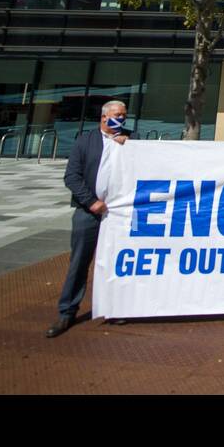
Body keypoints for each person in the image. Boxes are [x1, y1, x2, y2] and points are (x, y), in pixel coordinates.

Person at [46, 100, 131, 338]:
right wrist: (91, 201)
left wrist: (128, 145)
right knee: (80, 261)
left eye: (124, 115)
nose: (121, 119)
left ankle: (114, 308)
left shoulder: (130, 140)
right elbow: (72, 176)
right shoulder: (85, 141)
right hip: (89, 212)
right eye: (117, 115)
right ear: (104, 117)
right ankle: (67, 311)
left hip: (118, 214)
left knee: (116, 261)